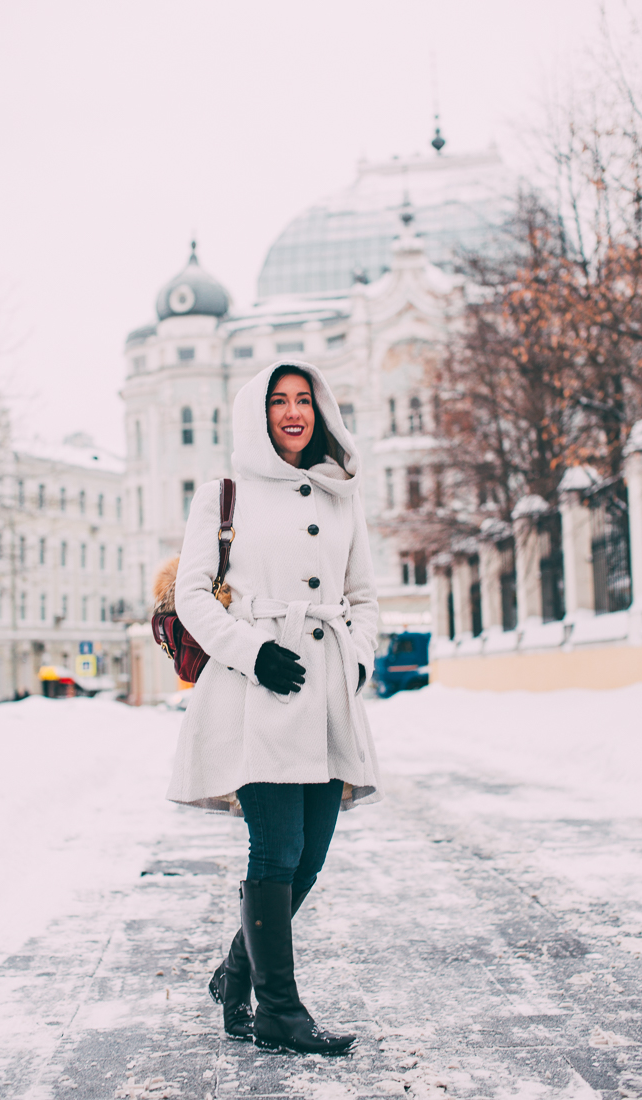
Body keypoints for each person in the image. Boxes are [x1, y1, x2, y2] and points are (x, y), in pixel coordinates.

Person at [167, 360, 382, 1055]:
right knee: (277, 847)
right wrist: (251, 651)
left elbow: (365, 597)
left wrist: (356, 659)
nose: (292, 412)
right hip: (256, 688)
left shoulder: (341, 494)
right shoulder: (222, 492)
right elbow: (192, 595)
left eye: (303, 400)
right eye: (277, 401)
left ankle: (236, 975)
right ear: (255, 413)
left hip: (324, 691)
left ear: (320, 410)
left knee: (310, 857)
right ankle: (279, 1014)